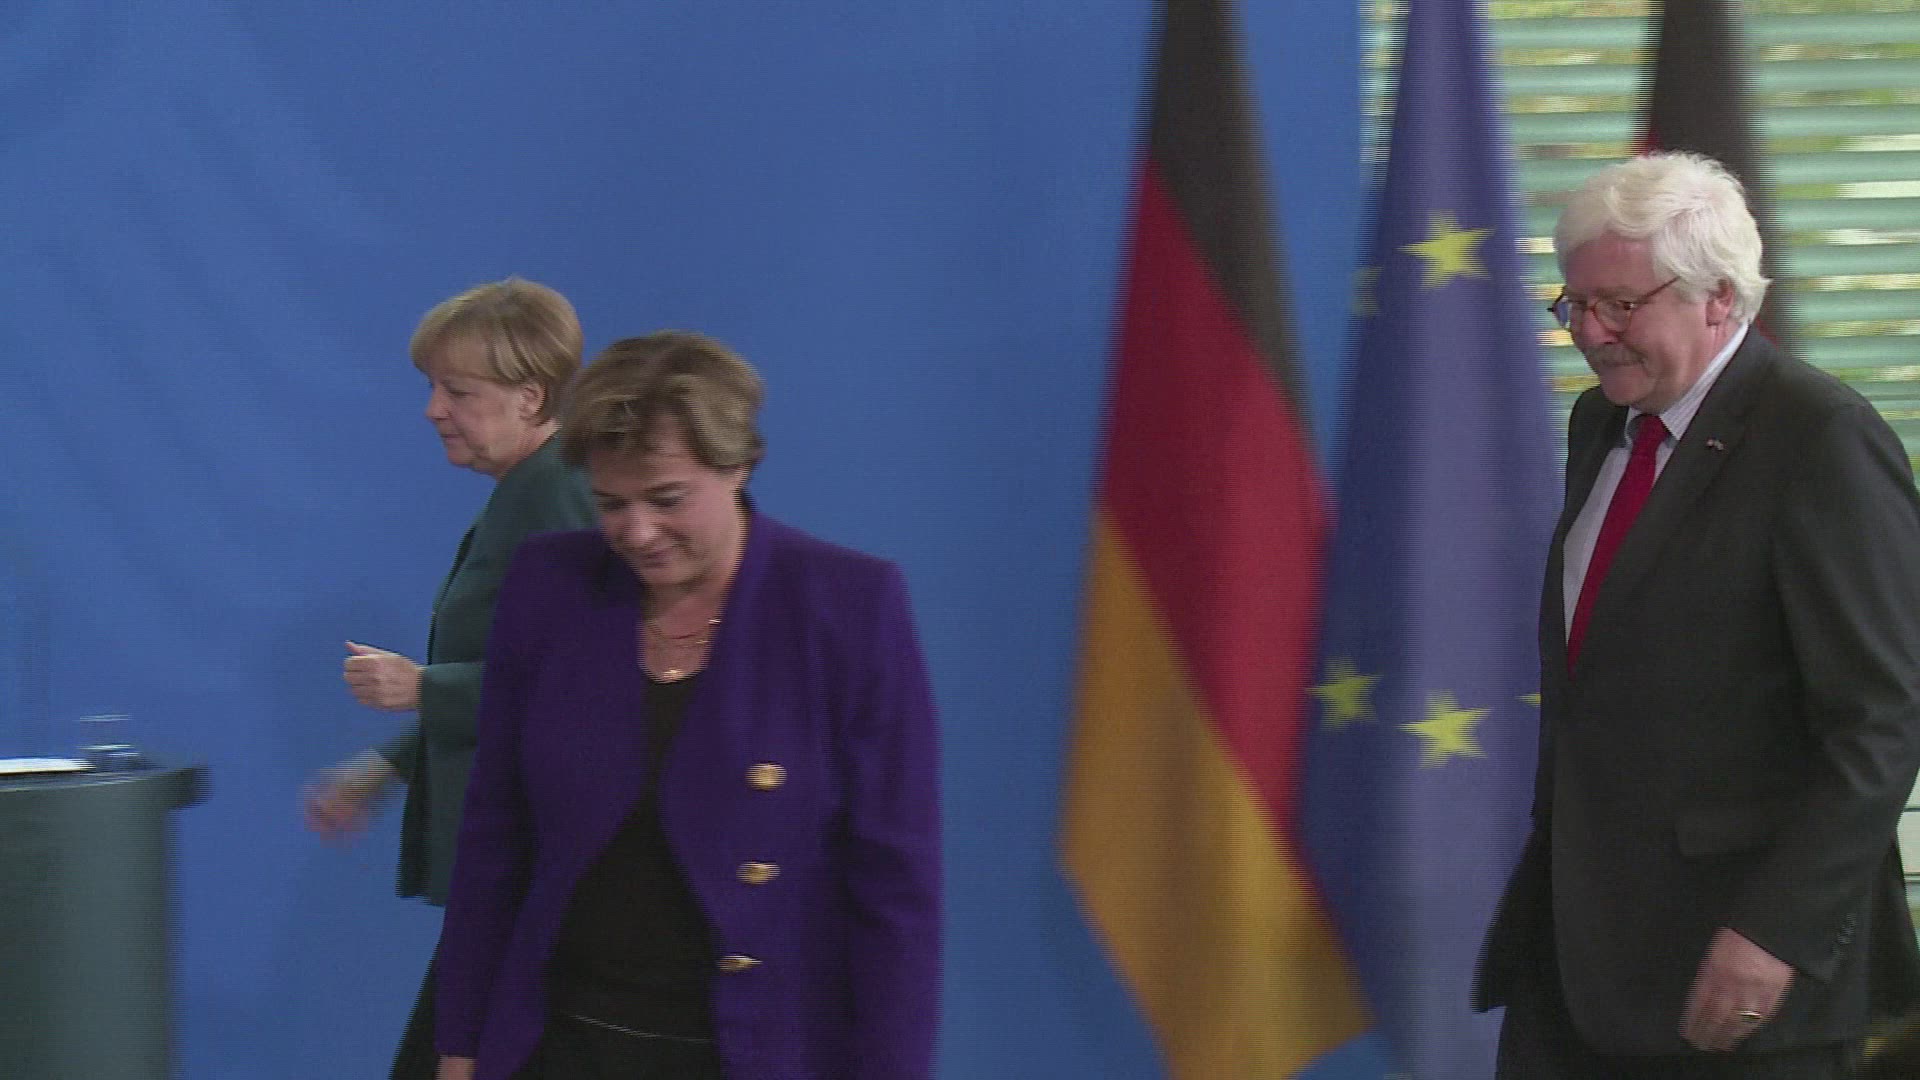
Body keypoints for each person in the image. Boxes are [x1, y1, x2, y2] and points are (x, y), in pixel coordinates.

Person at [1472, 151, 1920, 1079]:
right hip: (1578, 957)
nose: (1590, 333)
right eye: (1573, 304)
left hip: (1744, 978)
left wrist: (1776, 932)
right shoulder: (1601, 424)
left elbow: (1885, 718)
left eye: (1620, 305)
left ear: (1718, 297)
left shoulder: (1818, 437)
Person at [430, 331, 942, 1080]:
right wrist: (460, 1045)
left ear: (737, 466)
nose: (638, 532)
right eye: (611, 503)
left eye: (667, 499)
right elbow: (495, 834)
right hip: (557, 1044)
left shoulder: (849, 606)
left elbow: (895, 887)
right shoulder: (550, 584)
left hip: (755, 1054)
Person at [302, 278, 596, 1080]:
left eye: (458, 391)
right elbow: (519, 673)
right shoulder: (527, 493)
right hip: (515, 872)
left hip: (535, 869)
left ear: (531, 397)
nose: (434, 410)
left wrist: (423, 689)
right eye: (433, 388)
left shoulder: (556, 494)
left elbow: (580, 681)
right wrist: (388, 764)